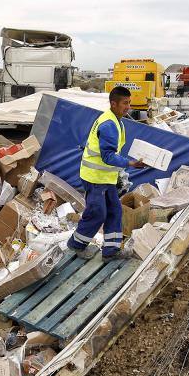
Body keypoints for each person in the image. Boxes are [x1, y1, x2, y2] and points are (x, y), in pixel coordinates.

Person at [67, 86, 146, 260]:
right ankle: (76, 245)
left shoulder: (116, 120)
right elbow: (108, 156)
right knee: (98, 213)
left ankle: (111, 251)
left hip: (105, 177)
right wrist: (131, 163)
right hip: (95, 178)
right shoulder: (109, 124)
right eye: (125, 103)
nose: (128, 107)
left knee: (114, 211)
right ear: (113, 103)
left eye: (129, 103)